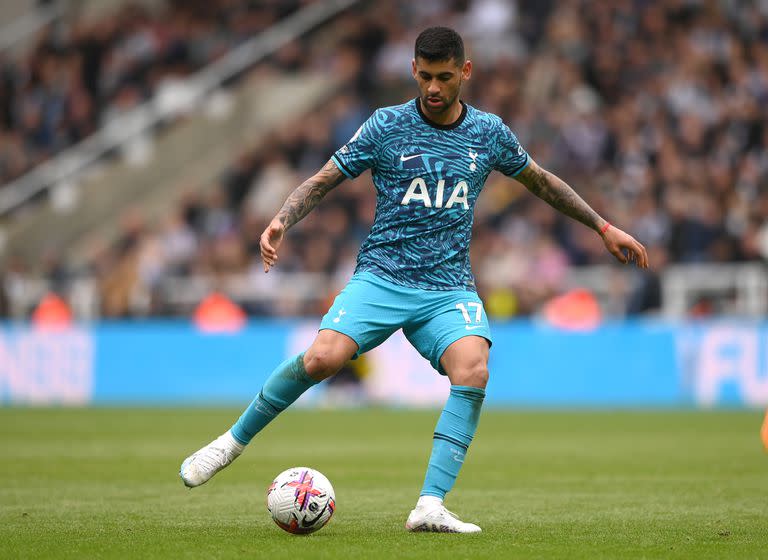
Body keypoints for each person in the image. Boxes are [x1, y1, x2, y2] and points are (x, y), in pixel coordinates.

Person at [179, 26, 648, 533]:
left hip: (448, 288)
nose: (434, 88)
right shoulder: (386, 126)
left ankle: (430, 505)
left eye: (445, 77)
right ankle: (230, 443)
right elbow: (326, 177)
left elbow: (542, 182)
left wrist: (603, 227)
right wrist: (282, 220)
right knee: (322, 358)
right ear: (412, 70)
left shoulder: (488, 133)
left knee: (474, 369)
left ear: (465, 71)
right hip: (382, 276)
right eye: (425, 76)